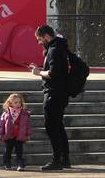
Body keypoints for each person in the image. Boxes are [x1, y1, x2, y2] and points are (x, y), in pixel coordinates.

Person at [30, 25, 71, 171]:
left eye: (39, 39)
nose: (39, 42)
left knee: (52, 127)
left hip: (53, 94)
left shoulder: (54, 50)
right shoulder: (59, 47)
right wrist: (41, 69)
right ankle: (65, 159)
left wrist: (38, 72)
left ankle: (56, 160)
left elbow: (53, 73)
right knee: (58, 126)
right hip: (60, 93)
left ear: (46, 36)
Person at [0, 93, 32, 171]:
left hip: (19, 136)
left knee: (19, 151)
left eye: (19, 102)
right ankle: (7, 163)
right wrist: (0, 133)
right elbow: (1, 124)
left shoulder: (24, 113)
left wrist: (28, 134)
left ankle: (20, 164)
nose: (18, 104)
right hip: (9, 135)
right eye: (15, 102)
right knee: (8, 151)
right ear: (10, 103)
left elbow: (28, 125)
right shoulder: (6, 113)